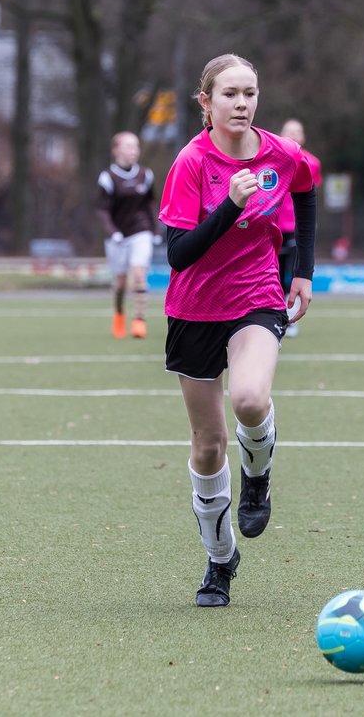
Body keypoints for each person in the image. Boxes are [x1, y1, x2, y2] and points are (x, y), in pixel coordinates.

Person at [158, 54, 317, 607]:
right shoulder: (191, 163)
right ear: (206, 103)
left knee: (250, 399)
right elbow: (179, 255)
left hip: (256, 295)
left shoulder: (279, 152)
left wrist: (303, 273)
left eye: (250, 92)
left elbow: (307, 185)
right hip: (194, 308)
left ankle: (259, 477)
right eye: (229, 94)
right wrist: (229, 206)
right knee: (207, 445)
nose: (242, 103)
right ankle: (220, 559)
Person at [96, 131, 157, 339]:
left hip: (140, 232)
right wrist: (113, 232)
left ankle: (139, 320)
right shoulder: (107, 177)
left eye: (136, 146)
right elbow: (102, 209)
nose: (134, 151)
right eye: (129, 146)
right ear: (116, 150)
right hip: (118, 236)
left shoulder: (145, 175)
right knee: (121, 283)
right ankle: (119, 314)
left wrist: (154, 230)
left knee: (139, 276)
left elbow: (149, 204)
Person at [275, 119, 322, 338]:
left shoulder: (311, 163)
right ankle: (274, 316)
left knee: (292, 274)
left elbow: (309, 198)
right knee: (273, 273)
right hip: (273, 226)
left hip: (295, 228)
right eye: (288, 132)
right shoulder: (270, 160)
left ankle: (290, 318)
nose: (293, 135)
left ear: (303, 137)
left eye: (297, 132)